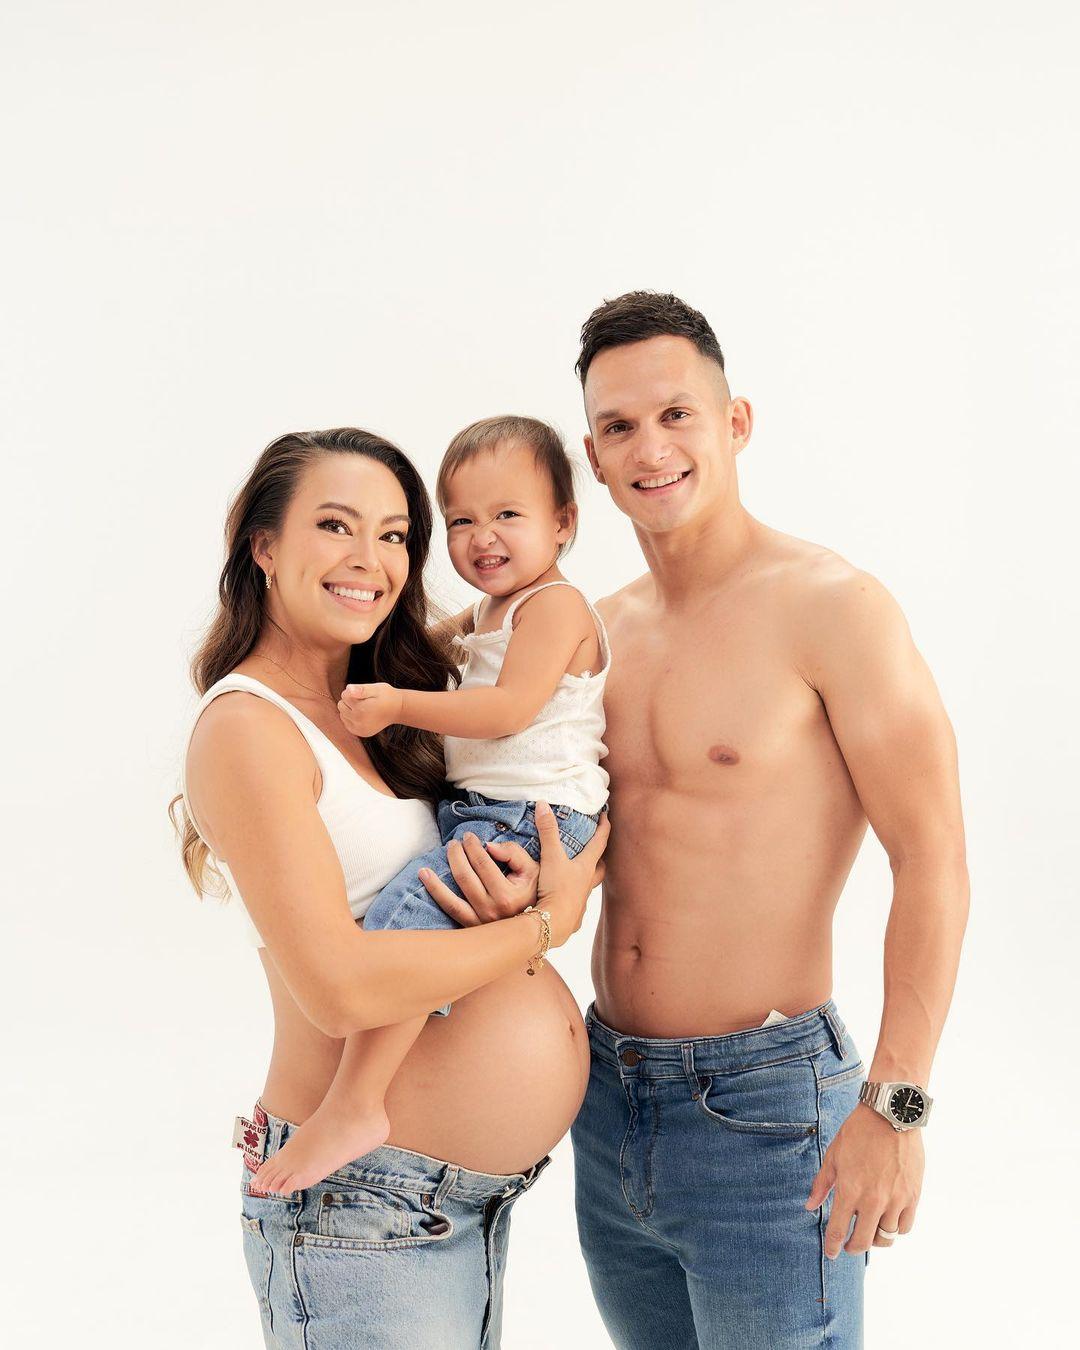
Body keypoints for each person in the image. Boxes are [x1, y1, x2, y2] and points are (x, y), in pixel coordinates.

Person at [562, 292, 970, 1348]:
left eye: (677, 414)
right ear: (594, 459)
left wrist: (896, 1106)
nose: (651, 448)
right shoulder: (597, 636)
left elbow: (932, 856)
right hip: (607, 1102)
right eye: (619, 427)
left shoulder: (832, 607)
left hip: (768, 1108)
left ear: (735, 421)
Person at [175, 426, 608, 1349]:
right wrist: (546, 926)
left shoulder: (382, 707)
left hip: (449, 1204)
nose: (369, 559)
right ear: (263, 545)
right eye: (335, 525)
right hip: (362, 1209)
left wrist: (512, 897)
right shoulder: (250, 727)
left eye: (395, 535)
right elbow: (341, 989)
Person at [250, 415, 611, 1196]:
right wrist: (545, 923)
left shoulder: (553, 608)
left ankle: (357, 1102)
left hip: (527, 817)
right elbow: (423, 643)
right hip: (491, 814)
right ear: (263, 547)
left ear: (563, 523)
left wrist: (398, 703)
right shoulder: (489, 614)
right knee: (408, 921)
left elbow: (507, 709)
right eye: (459, 522)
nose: (483, 537)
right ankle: (353, 1103)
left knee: (410, 915)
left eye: (507, 514)